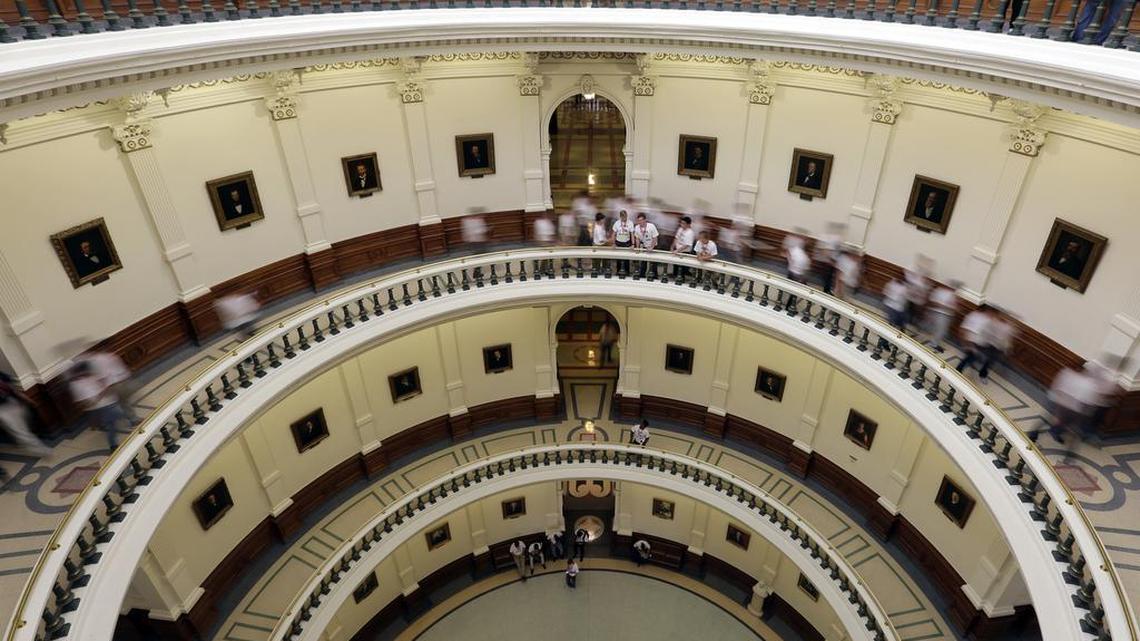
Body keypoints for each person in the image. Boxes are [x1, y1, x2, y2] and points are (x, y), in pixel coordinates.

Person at [69, 360, 133, 451]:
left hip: (106, 403)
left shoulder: (90, 377)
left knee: (113, 419)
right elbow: (87, 401)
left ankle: (113, 436)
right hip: (102, 406)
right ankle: (113, 444)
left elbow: (102, 385)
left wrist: (104, 386)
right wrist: (101, 393)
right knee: (115, 420)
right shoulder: (76, 384)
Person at [76, 349, 138, 424]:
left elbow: (101, 378)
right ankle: (131, 419)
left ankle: (125, 419)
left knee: (114, 403)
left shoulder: (93, 361)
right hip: (120, 382)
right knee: (122, 402)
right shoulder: (109, 355)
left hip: (111, 385)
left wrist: (101, 389)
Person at [0, 375, 51, 460]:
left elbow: (13, 389)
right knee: (20, 431)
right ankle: (42, 450)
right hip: (3, 410)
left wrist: (27, 399)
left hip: (12, 403)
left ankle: (29, 445)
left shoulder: (2, 375)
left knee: (21, 430)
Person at [956, 306, 994, 382]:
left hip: (981, 343)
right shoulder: (977, 317)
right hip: (974, 342)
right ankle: (957, 371)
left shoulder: (987, 319)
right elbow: (967, 329)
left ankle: (959, 370)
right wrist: (967, 344)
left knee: (972, 358)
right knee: (970, 358)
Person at [926, 281, 960, 353]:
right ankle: (933, 344)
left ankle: (934, 342)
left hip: (947, 315)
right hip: (940, 314)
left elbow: (954, 306)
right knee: (940, 331)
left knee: (941, 331)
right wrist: (947, 307)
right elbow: (934, 301)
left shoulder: (953, 295)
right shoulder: (940, 291)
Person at [632, 212, 660, 278]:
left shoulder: (651, 226)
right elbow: (637, 238)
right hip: (644, 246)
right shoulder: (637, 227)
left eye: (641, 220)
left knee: (653, 262)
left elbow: (655, 237)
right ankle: (642, 275)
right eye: (638, 220)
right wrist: (638, 248)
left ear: (645, 220)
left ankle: (654, 276)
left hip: (653, 246)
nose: (640, 222)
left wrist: (651, 247)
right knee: (643, 261)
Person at [671, 216, 695, 280]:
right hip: (677, 249)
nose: (681, 224)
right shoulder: (680, 229)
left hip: (685, 251)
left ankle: (681, 278)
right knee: (675, 264)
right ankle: (674, 275)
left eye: (683, 223)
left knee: (681, 267)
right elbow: (676, 238)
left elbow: (687, 245)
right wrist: (672, 246)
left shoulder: (690, 233)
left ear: (688, 224)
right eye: (681, 223)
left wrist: (678, 250)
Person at [611, 210, 634, 275]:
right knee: (619, 258)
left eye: (626, 217)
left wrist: (633, 244)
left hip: (627, 243)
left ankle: (627, 272)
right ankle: (618, 272)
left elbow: (632, 234)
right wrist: (613, 243)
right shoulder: (617, 223)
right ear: (620, 217)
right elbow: (613, 234)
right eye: (623, 217)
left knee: (627, 258)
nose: (625, 218)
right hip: (618, 242)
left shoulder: (630, 223)